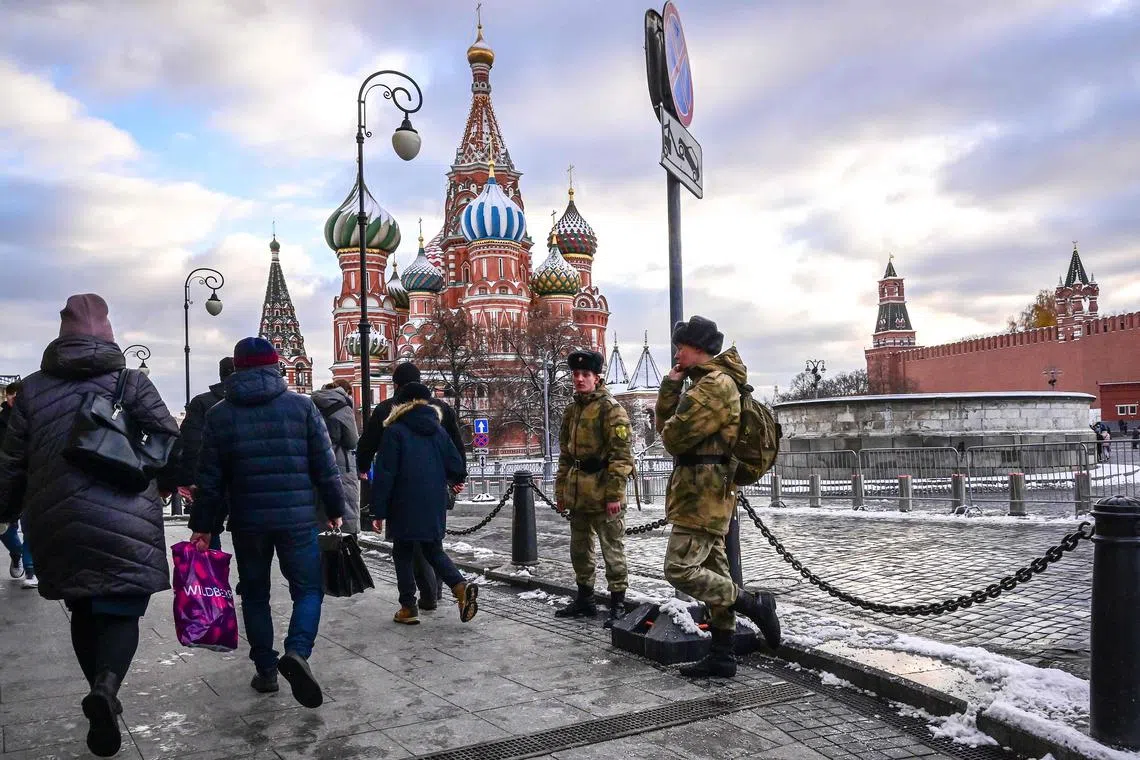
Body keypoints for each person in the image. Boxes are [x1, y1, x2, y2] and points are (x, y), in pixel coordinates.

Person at [0, 294, 179, 756]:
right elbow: (166, 437)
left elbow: (12, 461)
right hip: (124, 512)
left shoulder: (33, 390)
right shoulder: (130, 382)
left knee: (82, 607)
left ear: (62, 333)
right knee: (121, 606)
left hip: (55, 516)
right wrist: (141, 468)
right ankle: (107, 686)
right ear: (108, 331)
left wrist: (5, 508)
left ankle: (100, 692)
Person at [188, 337, 345, 709]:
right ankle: (298, 652)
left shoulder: (220, 414)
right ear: (277, 366)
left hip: (248, 521)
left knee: (255, 594)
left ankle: (266, 670)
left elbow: (209, 479)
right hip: (297, 518)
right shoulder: (301, 408)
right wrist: (335, 507)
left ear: (237, 369)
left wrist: (203, 525)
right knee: (307, 589)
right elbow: (325, 465)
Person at [656, 315, 780, 679]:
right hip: (703, 487)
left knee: (679, 568)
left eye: (681, 345)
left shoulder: (714, 386)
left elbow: (672, 438)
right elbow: (669, 428)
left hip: (703, 491)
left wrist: (674, 401)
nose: (677, 351)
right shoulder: (703, 384)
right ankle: (723, 653)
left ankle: (754, 605)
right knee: (714, 571)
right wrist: (671, 385)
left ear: (698, 348)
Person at [357, 362, 467, 609]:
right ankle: (453, 587)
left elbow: (382, 469)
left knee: (404, 551)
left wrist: (377, 508)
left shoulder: (391, 422)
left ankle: (410, 606)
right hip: (435, 493)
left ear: (397, 389)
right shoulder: (440, 417)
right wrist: (457, 479)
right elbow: (457, 454)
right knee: (432, 546)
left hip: (402, 498)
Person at [553, 349, 634, 628]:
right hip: (578, 492)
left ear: (597, 377)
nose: (579, 379)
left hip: (603, 490)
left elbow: (621, 457)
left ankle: (618, 604)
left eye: (585, 374)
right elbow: (565, 455)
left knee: (612, 550)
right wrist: (561, 491)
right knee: (580, 549)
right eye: (575, 374)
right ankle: (585, 599)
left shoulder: (611, 409)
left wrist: (615, 495)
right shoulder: (572, 410)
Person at [167, 357, 234, 551]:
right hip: (244, 479)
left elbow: (190, 443)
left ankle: (212, 573)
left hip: (211, 480)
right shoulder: (254, 401)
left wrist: (188, 479)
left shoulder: (203, 403)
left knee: (209, 528)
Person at [311, 379, 361, 533]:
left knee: (318, 507)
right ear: (347, 392)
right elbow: (352, 441)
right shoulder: (344, 407)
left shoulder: (311, 404)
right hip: (339, 461)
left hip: (314, 460)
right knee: (345, 506)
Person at [0, 380, 35, 586]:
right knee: (4, 526)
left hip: (31, 477)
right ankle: (17, 553)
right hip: (5, 478)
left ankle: (31, 570)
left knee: (30, 523)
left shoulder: (35, 420)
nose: (14, 400)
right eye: (12, 396)